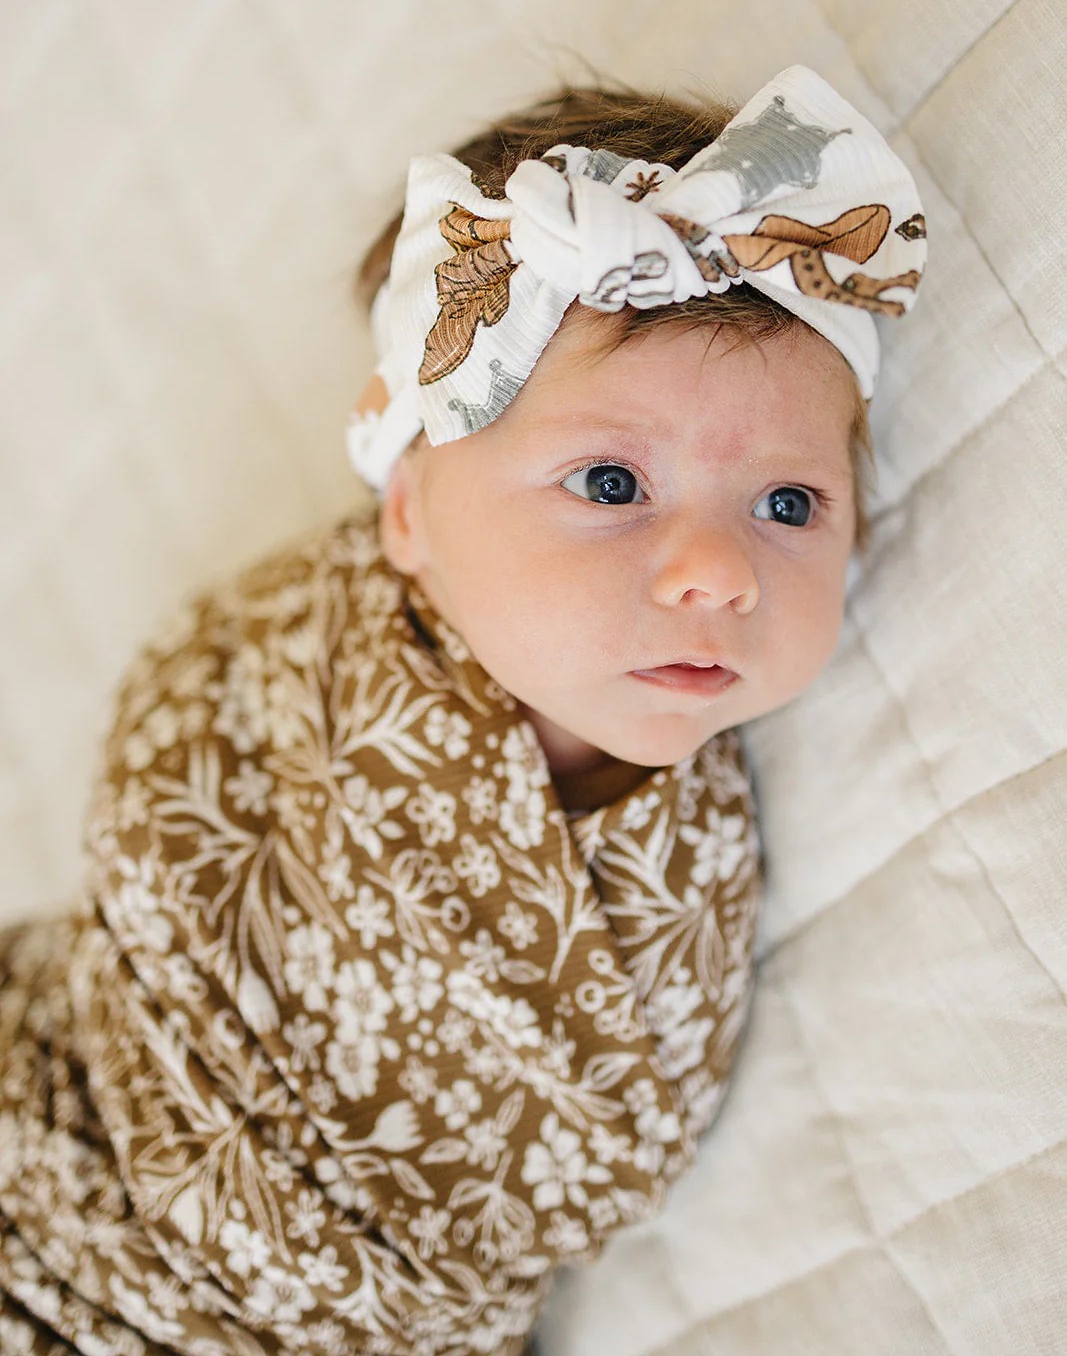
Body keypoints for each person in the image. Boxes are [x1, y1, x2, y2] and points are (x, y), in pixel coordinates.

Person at [0, 65, 925, 1355]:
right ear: (407, 510)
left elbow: (599, 1148)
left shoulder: (695, 858)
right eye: (612, 482)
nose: (719, 572)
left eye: (789, 503)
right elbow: (182, 773)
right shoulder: (306, 651)